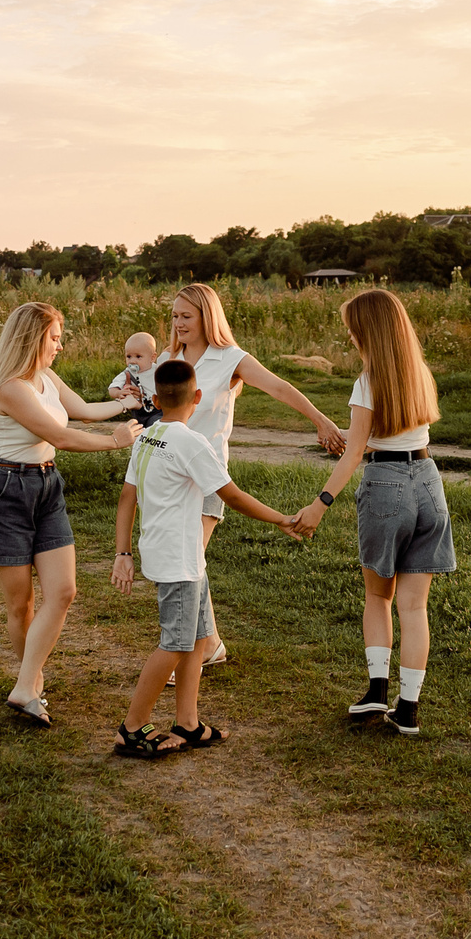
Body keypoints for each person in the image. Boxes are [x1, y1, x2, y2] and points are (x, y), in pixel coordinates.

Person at [108, 359, 302, 757]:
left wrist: (122, 552)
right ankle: (131, 728)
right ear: (197, 397)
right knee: (175, 644)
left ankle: (188, 723)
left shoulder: (146, 436)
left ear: (156, 398)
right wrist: (281, 519)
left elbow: (127, 498)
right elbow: (232, 496)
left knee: (196, 638)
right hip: (179, 560)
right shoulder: (192, 442)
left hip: (176, 553)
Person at [0, 301, 143, 727]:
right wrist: (115, 442)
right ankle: (30, 685)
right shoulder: (11, 388)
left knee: (63, 591)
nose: (59, 346)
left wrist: (128, 404)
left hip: (47, 486)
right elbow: (61, 436)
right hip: (7, 490)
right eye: (54, 338)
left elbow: (83, 409)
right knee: (21, 604)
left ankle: (26, 686)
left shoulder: (46, 377)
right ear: (33, 339)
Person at [164, 283, 347, 671]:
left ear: (207, 317)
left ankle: (186, 652)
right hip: (168, 475)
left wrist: (321, 420)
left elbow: (279, 388)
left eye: (186, 316)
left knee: (188, 560)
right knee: (187, 560)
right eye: (175, 315)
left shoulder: (231, 358)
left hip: (208, 475)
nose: (178, 323)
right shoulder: (169, 357)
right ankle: (210, 644)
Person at [295, 288, 449, 737]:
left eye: (352, 329)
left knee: (378, 596)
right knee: (414, 606)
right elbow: (392, 432)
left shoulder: (367, 382)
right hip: (428, 482)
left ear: (369, 331)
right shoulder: (419, 373)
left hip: (386, 484)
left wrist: (320, 504)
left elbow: (356, 454)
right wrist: (348, 434)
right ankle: (408, 710)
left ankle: (377, 690)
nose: (349, 336)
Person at [107, 329, 163, 427]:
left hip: (158, 410)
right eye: (129, 356)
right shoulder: (127, 373)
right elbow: (112, 389)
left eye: (138, 356)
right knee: (140, 428)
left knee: (155, 424)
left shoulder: (158, 370)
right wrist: (119, 393)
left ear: (152, 357)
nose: (132, 361)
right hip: (139, 411)